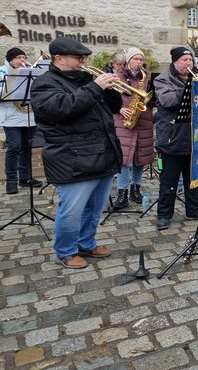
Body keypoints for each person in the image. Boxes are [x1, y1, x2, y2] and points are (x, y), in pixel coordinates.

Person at [30, 37, 122, 269]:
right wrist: (95, 87)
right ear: (59, 58)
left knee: (94, 208)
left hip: (101, 153)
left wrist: (110, 91)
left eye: (84, 57)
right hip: (72, 157)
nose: (83, 61)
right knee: (72, 211)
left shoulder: (85, 80)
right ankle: (66, 251)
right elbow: (61, 109)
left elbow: (111, 109)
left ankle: (86, 242)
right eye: (78, 57)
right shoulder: (44, 83)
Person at [154, 47, 198, 230]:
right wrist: (190, 87)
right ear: (175, 62)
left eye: (190, 60)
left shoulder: (197, 76)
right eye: (184, 60)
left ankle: (194, 209)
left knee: (194, 177)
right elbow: (167, 100)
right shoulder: (162, 79)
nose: (188, 63)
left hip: (193, 136)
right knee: (169, 180)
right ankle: (164, 214)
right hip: (171, 137)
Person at [111, 47, 154, 209]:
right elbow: (108, 99)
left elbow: (153, 99)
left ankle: (135, 189)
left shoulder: (147, 78)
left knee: (140, 158)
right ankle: (122, 193)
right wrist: (119, 109)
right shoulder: (117, 77)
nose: (139, 62)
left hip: (142, 121)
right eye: (135, 59)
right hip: (124, 121)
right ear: (128, 61)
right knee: (123, 159)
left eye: (141, 59)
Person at [0, 47, 43, 194]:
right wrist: (15, 80)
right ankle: (11, 181)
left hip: (28, 116)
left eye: (24, 57)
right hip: (10, 117)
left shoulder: (30, 73)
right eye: (19, 57)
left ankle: (26, 178)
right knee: (14, 147)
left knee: (27, 147)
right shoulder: (2, 72)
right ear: (10, 59)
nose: (22, 60)